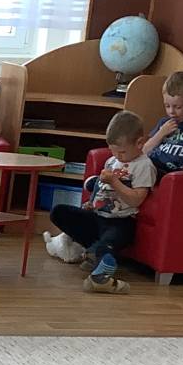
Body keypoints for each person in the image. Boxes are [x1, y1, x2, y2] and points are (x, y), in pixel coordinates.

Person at [47, 109, 156, 293]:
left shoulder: (144, 166)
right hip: (99, 216)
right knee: (58, 211)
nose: (117, 156)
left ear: (139, 143)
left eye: (122, 152)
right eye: (113, 151)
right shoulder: (112, 161)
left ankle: (101, 274)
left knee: (106, 244)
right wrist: (92, 202)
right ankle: (93, 251)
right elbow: (101, 188)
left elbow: (136, 200)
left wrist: (115, 181)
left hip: (121, 221)